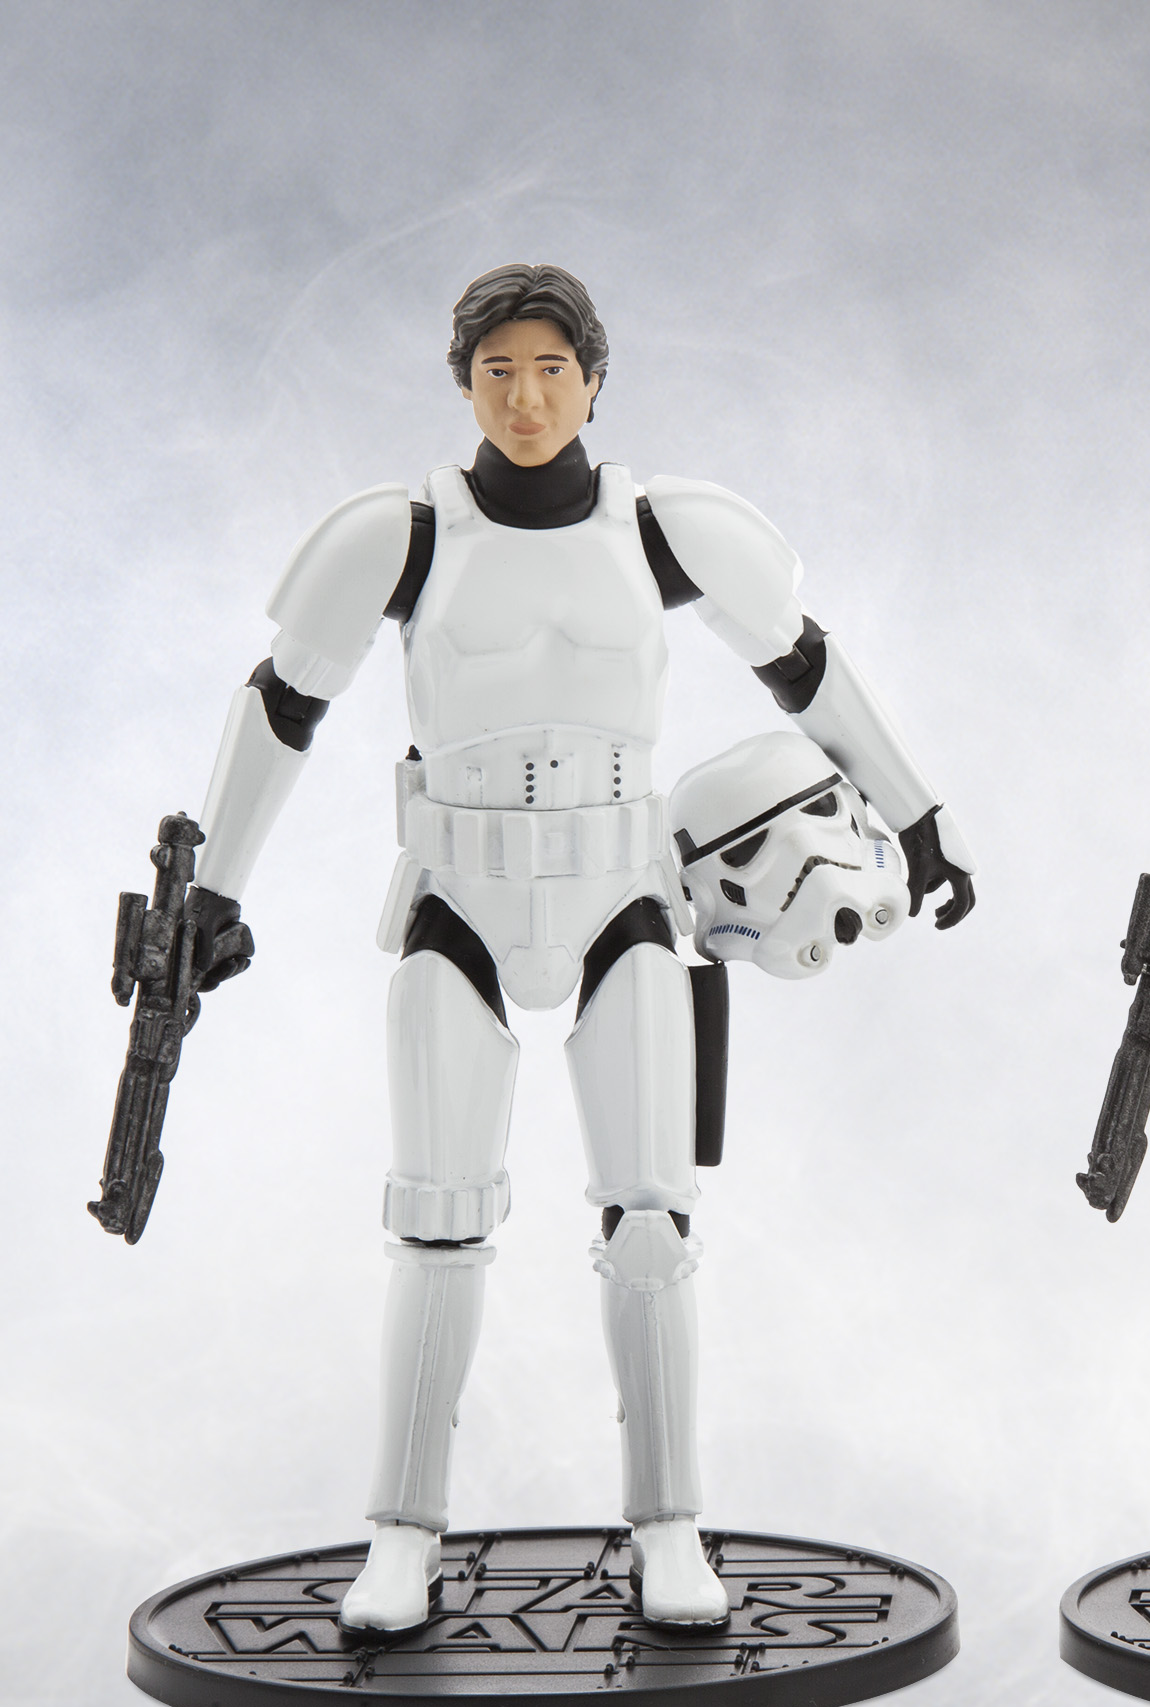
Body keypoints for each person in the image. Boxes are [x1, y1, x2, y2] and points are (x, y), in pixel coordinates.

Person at [179, 263, 975, 1632]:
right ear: (465, 384)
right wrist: (213, 885)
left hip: (624, 901)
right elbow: (284, 703)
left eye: (552, 369)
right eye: (499, 371)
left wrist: (919, 816)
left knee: (652, 1225)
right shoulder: (401, 539)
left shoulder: (663, 532)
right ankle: (402, 1536)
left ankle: (670, 1525)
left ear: (594, 381)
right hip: (459, 903)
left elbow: (806, 666)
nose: (528, 397)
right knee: (435, 1224)